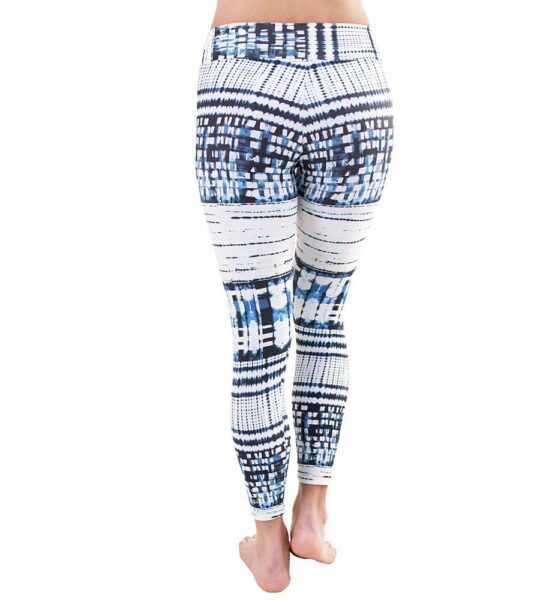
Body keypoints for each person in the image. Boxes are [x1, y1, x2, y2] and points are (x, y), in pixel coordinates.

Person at [195, 0, 394, 592]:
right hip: (352, 80)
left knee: (259, 333)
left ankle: (268, 545)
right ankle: (311, 514)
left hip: (243, 78)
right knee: (322, 314)